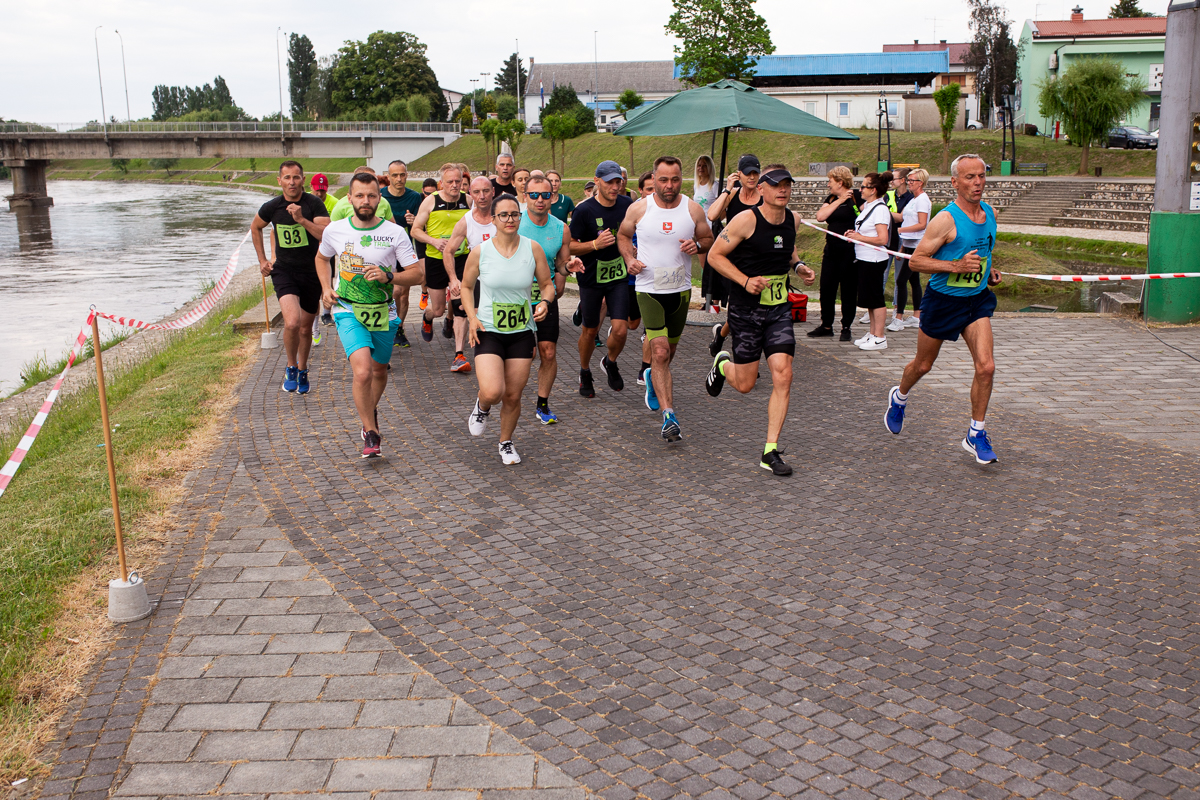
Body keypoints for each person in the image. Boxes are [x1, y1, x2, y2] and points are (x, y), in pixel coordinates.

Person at [885, 154, 1002, 465]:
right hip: (943, 301)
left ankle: (975, 433)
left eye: (981, 176)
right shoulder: (945, 220)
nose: (977, 182)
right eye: (969, 177)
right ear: (955, 182)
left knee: (986, 366)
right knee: (923, 365)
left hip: (976, 300)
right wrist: (956, 266)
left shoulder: (990, 213)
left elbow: (985, 250)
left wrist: (988, 270)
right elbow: (916, 261)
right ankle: (899, 397)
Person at [705, 164, 815, 475]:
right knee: (745, 384)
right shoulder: (745, 220)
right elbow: (714, 255)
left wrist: (799, 267)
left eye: (787, 184)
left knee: (783, 374)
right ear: (762, 189)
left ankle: (770, 450)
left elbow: (788, 250)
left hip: (778, 309)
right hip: (746, 310)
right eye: (776, 185)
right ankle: (722, 365)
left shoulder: (793, 219)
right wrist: (744, 281)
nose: (783, 190)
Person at [316, 172, 423, 458]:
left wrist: (389, 277)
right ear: (349, 198)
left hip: (383, 311)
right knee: (362, 371)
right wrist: (326, 287)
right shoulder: (335, 230)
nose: (366, 201)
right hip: (347, 309)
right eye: (360, 195)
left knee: (378, 371)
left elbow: (417, 274)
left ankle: (368, 410)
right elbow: (322, 257)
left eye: (372, 195)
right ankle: (371, 431)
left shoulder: (395, 232)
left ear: (379, 199)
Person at [618, 156, 713, 442]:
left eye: (674, 179)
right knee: (659, 352)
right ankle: (669, 416)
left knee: (668, 353)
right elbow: (623, 236)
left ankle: (652, 377)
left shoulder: (692, 209)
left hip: (680, 291)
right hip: (649, 289)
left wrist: (697, 245)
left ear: (681, 179)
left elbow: (708, 239)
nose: (669, 185)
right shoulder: (639, 208)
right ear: (654, 180)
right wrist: (629, 259)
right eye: (663, 180)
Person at [462, 194, 556, 465]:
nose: (510, 219)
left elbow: (547, 284)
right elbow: (466, 287)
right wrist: (471, 317)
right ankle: (482, 405)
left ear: (520, 217)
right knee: (493, 391)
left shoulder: (532, 248)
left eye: (514, 214)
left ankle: (506, 442)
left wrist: (545, 302)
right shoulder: (480, 251)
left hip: (521, 331)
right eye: (503, 215)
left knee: (513, 395)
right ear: (493, 219)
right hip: (489, 329)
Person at [251, 160, 330, 395]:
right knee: (292, 323)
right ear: (279, 181)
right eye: (287, 177)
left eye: (296, 177)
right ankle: (291, 366)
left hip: (311, 272)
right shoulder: (272, 206)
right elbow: (255, 227)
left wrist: (302, 220)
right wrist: (263, 260)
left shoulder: (314, 204)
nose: (292, 182)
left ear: (303, 180)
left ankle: (303, 369)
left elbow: (326, 235)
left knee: (305, 329)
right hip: (284, 271)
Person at [519, 174, 584, 424]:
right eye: (534, 195)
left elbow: (560, 264)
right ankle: (509, 396)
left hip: (545, 296)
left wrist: (569, 267)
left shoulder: (561, 228)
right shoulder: (514, 222)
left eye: (545, 195)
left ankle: (543, 404)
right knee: (525, 354)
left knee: (548, 351)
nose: (539, 200)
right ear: (525, 196)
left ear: (552, 197)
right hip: (516, 298)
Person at [568, 160, 635, 397]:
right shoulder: (584, 210)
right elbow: (570, 246)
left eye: (618, 182)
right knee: (590, 330)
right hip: (591, 278)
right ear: (597, 181)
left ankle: (610, 361)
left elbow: (633, 233)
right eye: (609, 182)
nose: (615, 187)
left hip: (618, 276)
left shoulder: (627, 205)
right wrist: (595, 245)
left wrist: (632, 250)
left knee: (621, 330)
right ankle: (584, 370)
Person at [706, 154, 764, 356]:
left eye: (755, 173)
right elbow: (712, 215)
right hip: (733, 260)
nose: (752, 177)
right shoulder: (733, 194)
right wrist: (727, 189)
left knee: (746, 310)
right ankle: (740, 352)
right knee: (738, 309)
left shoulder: (763, 196)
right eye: (748, 173)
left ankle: (721, 336)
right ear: (739, 174)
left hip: (757, 259)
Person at [442, 177, 498, 372]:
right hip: (477, 277)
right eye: (476, 192)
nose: (481, 196)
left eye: (486, 191)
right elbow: (448, 251)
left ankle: (496, 351)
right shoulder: (466, 221)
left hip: (501, 278)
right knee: (460, 305)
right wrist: (453, 279)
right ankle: (459, 355)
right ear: (470, 194)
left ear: (493, 192)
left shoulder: (502, 216)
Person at [411, 164, 470, 343]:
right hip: (436, 260)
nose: (454, 185)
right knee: (438, 310)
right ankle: (427, 317)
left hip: (460, 258)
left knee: (460, 305)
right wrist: (434, 241)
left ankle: (459, 352)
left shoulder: (468, 200)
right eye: (450, 181)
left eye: (458, 181)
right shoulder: (431, 201)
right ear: (441, 183)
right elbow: (415, 230)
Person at [808, 166, 861, 341]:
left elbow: (864, 216)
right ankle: (826, 325)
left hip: (849, 251)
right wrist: (839, 200)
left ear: (840, 182)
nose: (828, 184)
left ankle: (846, 326)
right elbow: (820, 216)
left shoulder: (857, 196)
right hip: (831, 250)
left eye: (830, 181)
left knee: (848, 289)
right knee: (826, 287)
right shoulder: (831, 199)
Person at [845, 172, 893, 351]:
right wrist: (855, 234)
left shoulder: (880, 209)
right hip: (864, 258)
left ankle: (880, 337)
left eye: (864, 186)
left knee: (876, 299)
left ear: (873, 190)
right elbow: (866, 231)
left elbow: (882, 239)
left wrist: (859, 237)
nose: (860, 189)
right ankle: (873, 333)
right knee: (870, 300)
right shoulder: (869, 206)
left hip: (874, 259)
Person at [380, 160, 426, 348]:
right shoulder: (380, 196)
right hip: (383, 249)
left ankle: (399, 327)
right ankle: (386, 325)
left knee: (402, 293)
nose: (399, 179)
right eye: (395, 175)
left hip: (404, 249)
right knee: (392, 291)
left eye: (402, 175)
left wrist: (414, 221)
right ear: (388, 177)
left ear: (407, 175)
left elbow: (422, 225)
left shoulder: (414, 197)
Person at [889, 168, 930, 331]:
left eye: (912, 180)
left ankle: (898, 318)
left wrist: (899, 230)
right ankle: (917, 316)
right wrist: (902, 247)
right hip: (908, 245)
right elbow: (904, 219)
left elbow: (922, 224)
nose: (909, 183)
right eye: (909, 180)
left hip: (917, 246)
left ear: (921, 183)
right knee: (914, 281)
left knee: (901, 280)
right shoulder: (913, 199)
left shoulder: (922, 200)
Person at [330, 167, 395, 223]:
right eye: (360, 196)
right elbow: (333, 228)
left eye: (375, 180)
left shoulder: (384, 202)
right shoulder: (341, 205)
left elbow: (392, 226)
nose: (366, 201)